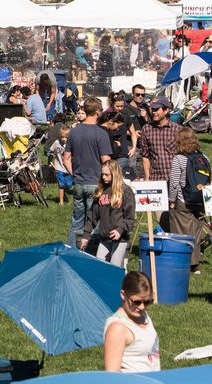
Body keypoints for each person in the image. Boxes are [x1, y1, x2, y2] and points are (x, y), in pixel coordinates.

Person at [64, 98, 112, 246]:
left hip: (78, 183)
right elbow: (106, 161)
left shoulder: (73, 131)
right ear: (98, 112)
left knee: (77, 220)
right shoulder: (101, 133)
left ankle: (71, 250)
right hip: (96, 183)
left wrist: (74, 174)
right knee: (94, 221)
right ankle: (92, 251)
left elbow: (66, 159)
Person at [166, 127, 208, 272]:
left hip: (183, 200)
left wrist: (172, 201)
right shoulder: (203, 157)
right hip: (200, 200)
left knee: (181, 233)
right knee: (196, 232)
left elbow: (174, 182)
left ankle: (183, 263)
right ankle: (195, 265)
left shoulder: (179, 159)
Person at [81, 160, 136, 267]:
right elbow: (92, 216)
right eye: (102, 174)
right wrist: (86, 235)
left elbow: (130, 218)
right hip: (104, 237)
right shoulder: (101, 191)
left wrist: (120, 230)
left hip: (120, 238)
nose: (104, 177)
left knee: (114, 269)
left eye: (107, 175)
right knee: (100, 267)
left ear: (115, 174)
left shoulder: (126, 191)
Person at [104, 271, 159, 373]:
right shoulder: (117, 328)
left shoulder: (142, 315)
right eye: (136, 302)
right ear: (123, 295)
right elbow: (112, 375)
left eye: (147, 302)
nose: (142, 307)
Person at [138, 96, 178, 183]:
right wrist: (147, 179)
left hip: (174, 178)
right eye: (152, 109)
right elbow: (145, 157)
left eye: (156, 109)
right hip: (155, 178)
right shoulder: (146, 129)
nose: (154, 112)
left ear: (166, 110)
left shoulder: (177, 130)